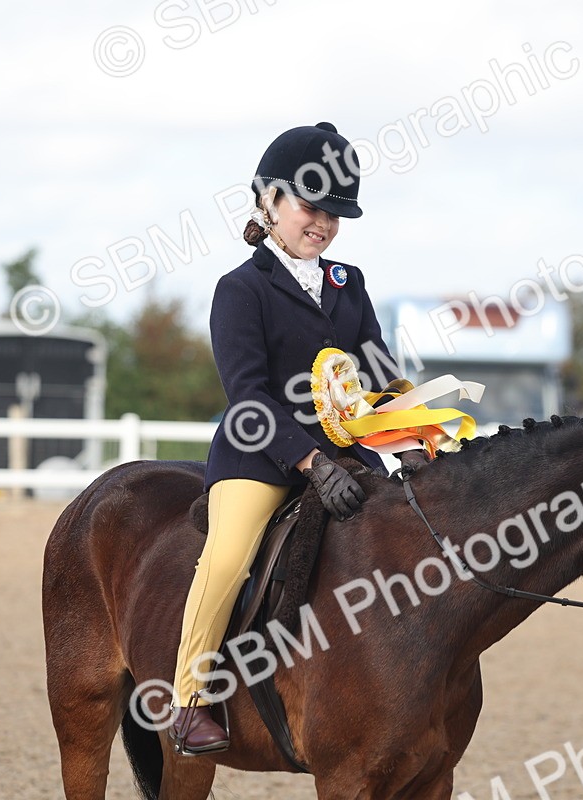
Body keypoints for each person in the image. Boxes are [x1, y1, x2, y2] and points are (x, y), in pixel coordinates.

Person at [169, 122, 429, 756]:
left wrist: (418, 433)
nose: (324, 224)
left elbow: (376, 370)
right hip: (260, 456)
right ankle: (189, 699)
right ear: (269, 201)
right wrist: (310, 460)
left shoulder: (349, 283)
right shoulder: (242, 289)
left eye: (336, 215)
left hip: (347, 453)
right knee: (228, 557)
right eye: (313, 208)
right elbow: (247, 396)